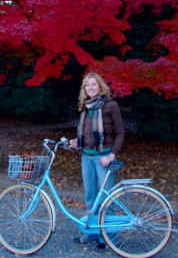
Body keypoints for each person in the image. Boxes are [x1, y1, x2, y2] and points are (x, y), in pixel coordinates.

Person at [70, 72, 125, 252]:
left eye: (94, 84)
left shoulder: (111, 106)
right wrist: (76, 142)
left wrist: (112, 155)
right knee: (90, 197)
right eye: (87, 85)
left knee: (106, 199)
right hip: (86, 157)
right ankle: (92, 232)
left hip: (103, 158)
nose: (90, 88)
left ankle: (107, 237)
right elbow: (86, 135)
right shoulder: (86, 107)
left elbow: (120, 132)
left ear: (100, 87)